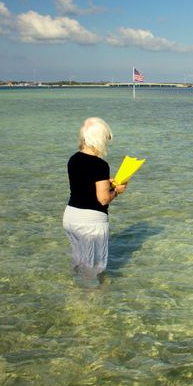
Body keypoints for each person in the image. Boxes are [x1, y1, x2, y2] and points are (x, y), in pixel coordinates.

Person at [62, 117, 127, 279]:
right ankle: (92, 301)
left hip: (71, 217)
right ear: (99, 140)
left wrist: (107, 183)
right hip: (91, 222)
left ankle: (75, 297)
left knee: (79, 263)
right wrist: (117, 190)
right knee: (93, 269)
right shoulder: (100, 165)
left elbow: (83, 186)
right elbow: (103, 199)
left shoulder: (73, 159)